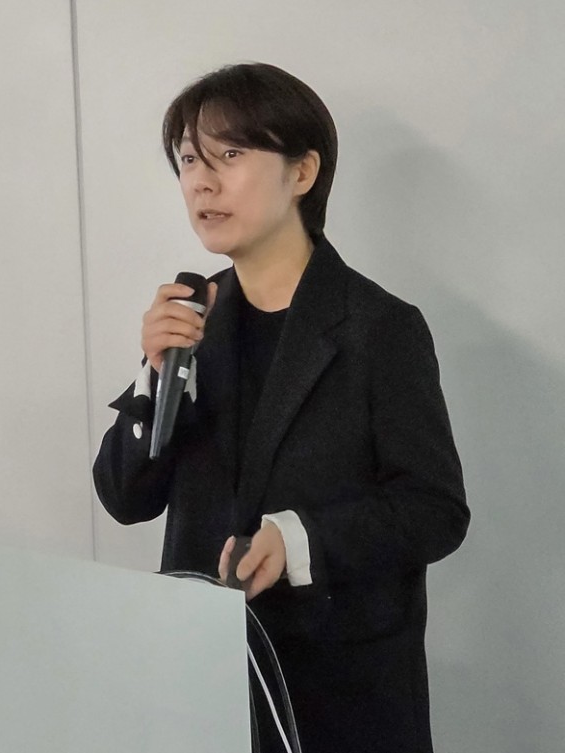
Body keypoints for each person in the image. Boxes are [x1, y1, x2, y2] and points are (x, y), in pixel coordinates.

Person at [92, 63, 469, 753]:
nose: (201, 182)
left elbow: (434, 509)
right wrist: (154, 375)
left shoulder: (378, 327)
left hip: (341, 699)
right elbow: (125, 496)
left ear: (303, 172)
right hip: (205, 688)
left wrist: (298, 540)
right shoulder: (193, 318)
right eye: (189, 160)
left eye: (230, 155)